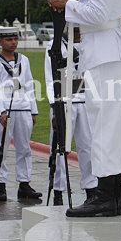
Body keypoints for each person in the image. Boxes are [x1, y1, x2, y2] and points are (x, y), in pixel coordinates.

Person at [48, 0, 121, 217]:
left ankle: (105, 196)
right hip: (108, 50)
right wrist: (72, 6)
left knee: (104, 126)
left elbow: (97, 14)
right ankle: (112, 195)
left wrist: (66, 4)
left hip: (105, 52)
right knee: (110, 125)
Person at [45, 26, 94, 206]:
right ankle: (58, 190)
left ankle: (91, 187)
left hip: (86, 101)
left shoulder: (90, 42)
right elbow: (50, 78)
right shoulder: (55, 44)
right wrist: (55, 105)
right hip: (64, 102)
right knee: (61, 149)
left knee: (88, 148)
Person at [0, 25, 40, 201]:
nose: (13, 43)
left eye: (15, 39)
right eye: (9, 39)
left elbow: (29, 85)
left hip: (23, 107)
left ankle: (24, 183)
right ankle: (0, 184)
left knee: (24, 148)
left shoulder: (23, 59)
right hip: (5, 110)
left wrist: (33, 110)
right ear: (0, 42)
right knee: (0, 148)